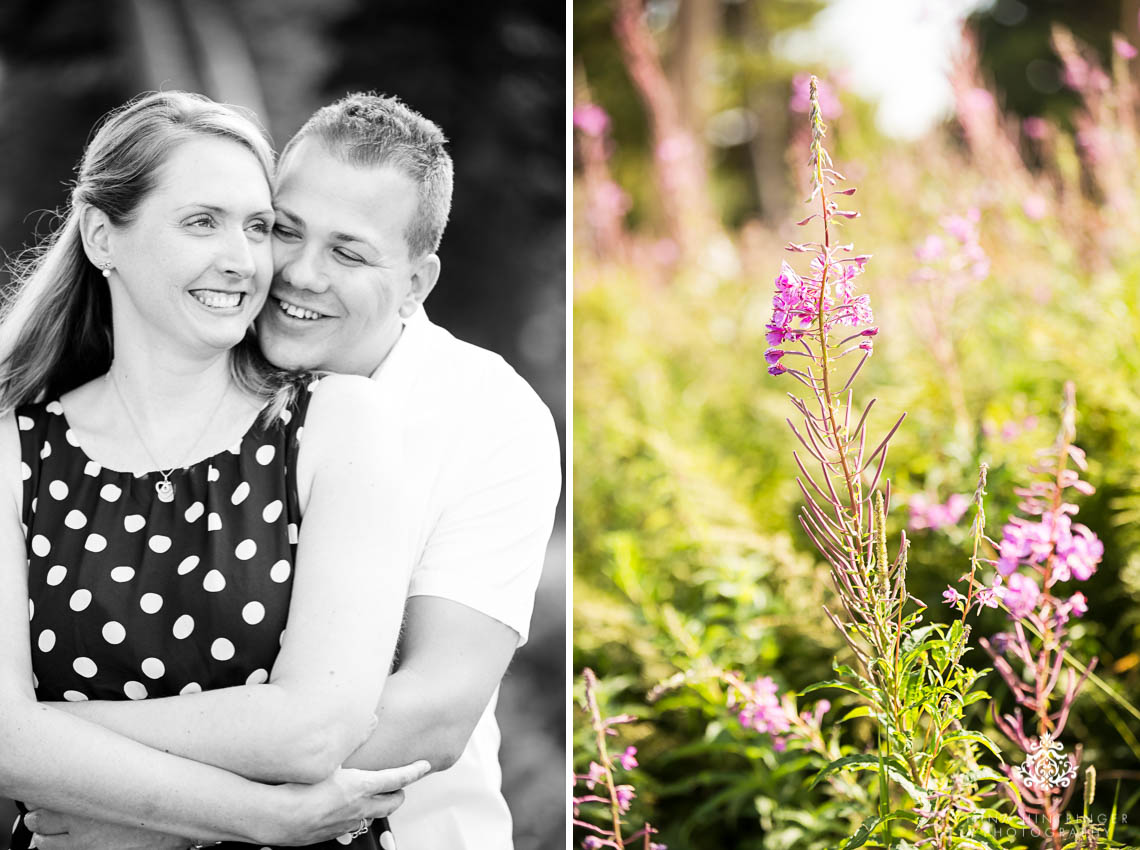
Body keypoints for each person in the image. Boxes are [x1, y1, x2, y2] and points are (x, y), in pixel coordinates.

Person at [23, 93, 562, 850]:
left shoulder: (488, 414)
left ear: (416, 283)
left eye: (348, 253)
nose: (296, 274)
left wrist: (116, 793)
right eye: (282, 229)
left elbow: (431, 712)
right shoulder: (189, 359)